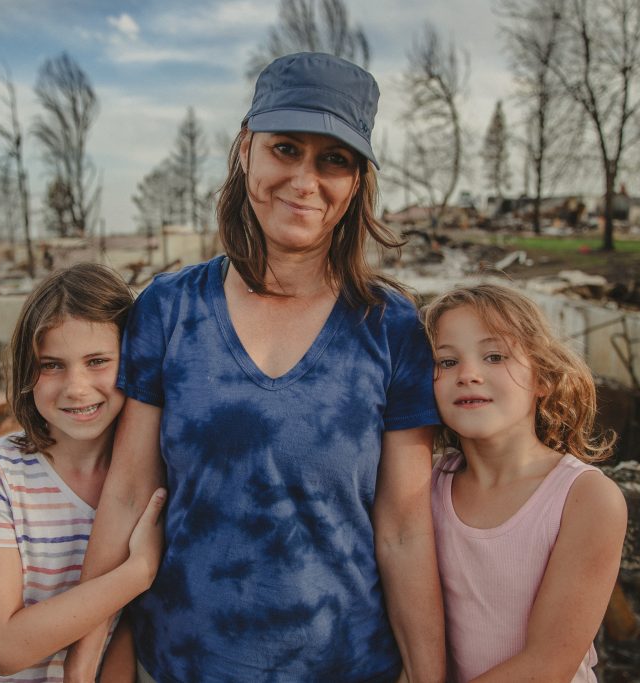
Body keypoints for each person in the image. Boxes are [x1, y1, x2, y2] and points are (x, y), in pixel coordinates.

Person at [66, 52, 445, 683]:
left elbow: (404, 529)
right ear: (246, 150)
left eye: (334, 159)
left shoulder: (391, 329)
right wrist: (82, 663)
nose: (304, 180)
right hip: (184, 663)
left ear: (356, 183)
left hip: (347, 667)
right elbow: (129, 493)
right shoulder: (170, 308)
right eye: (286, 149)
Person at [0, 263, 167, 683]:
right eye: (52, 365)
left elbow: (121, 625)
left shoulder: (149, 481)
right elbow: (3, 648)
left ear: (132, 362)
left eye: (97, 361)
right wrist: (137, 572)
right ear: (25, 369)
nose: (76, 386)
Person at [421, 284, 628, 682]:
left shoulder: (585, 498)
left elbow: (547, 666)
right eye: (446, 362)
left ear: (543, 378)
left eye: (494, 356)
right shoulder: (423, 486)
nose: (468, 375)